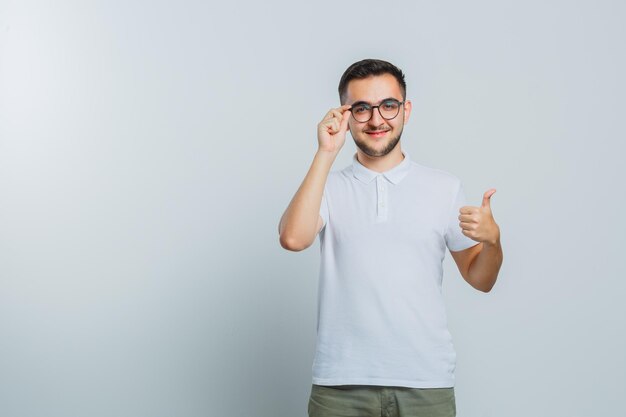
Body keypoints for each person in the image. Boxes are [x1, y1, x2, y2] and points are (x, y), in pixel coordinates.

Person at [278, 59, 503, 417]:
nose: (376, 119)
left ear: (405, 110)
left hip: (425, 381)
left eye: (388, 105)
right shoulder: (328, 187)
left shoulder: (443, 187)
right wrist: (326, 152)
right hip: (340, 384)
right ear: (345, 114)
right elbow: (293, 238)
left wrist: (493, 242)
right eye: (362, 108)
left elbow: (482, 279)